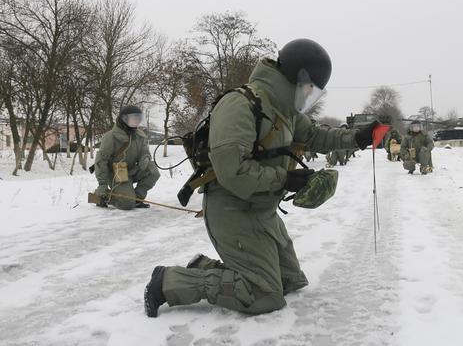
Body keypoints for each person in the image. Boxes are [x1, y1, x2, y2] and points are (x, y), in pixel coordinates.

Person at [144, 38, 382, 317]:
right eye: (308, 89)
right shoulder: (240, 104)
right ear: (296, 77)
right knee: (264, 295)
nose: (308, 96)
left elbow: (317, 135)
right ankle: (168, 282)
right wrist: (286, 180)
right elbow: (233, 172)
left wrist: (359, 137)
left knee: (290, 281)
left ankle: (203, 267)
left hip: (262, 209)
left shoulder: (286, 111)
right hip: (232, 208)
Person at [93, 105, 160, 209]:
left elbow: (145, 152)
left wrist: (144, 159)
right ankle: (100, 196)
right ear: (124, 119)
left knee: (153, 171)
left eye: (139, 118)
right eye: (134, 118)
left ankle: (137, 198)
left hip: (133, 170)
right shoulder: (110, 137)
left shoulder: (140, 136)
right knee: (127, 204)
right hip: (117, 173)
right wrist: (102, 184)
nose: (137, 121)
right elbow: (101, 161)